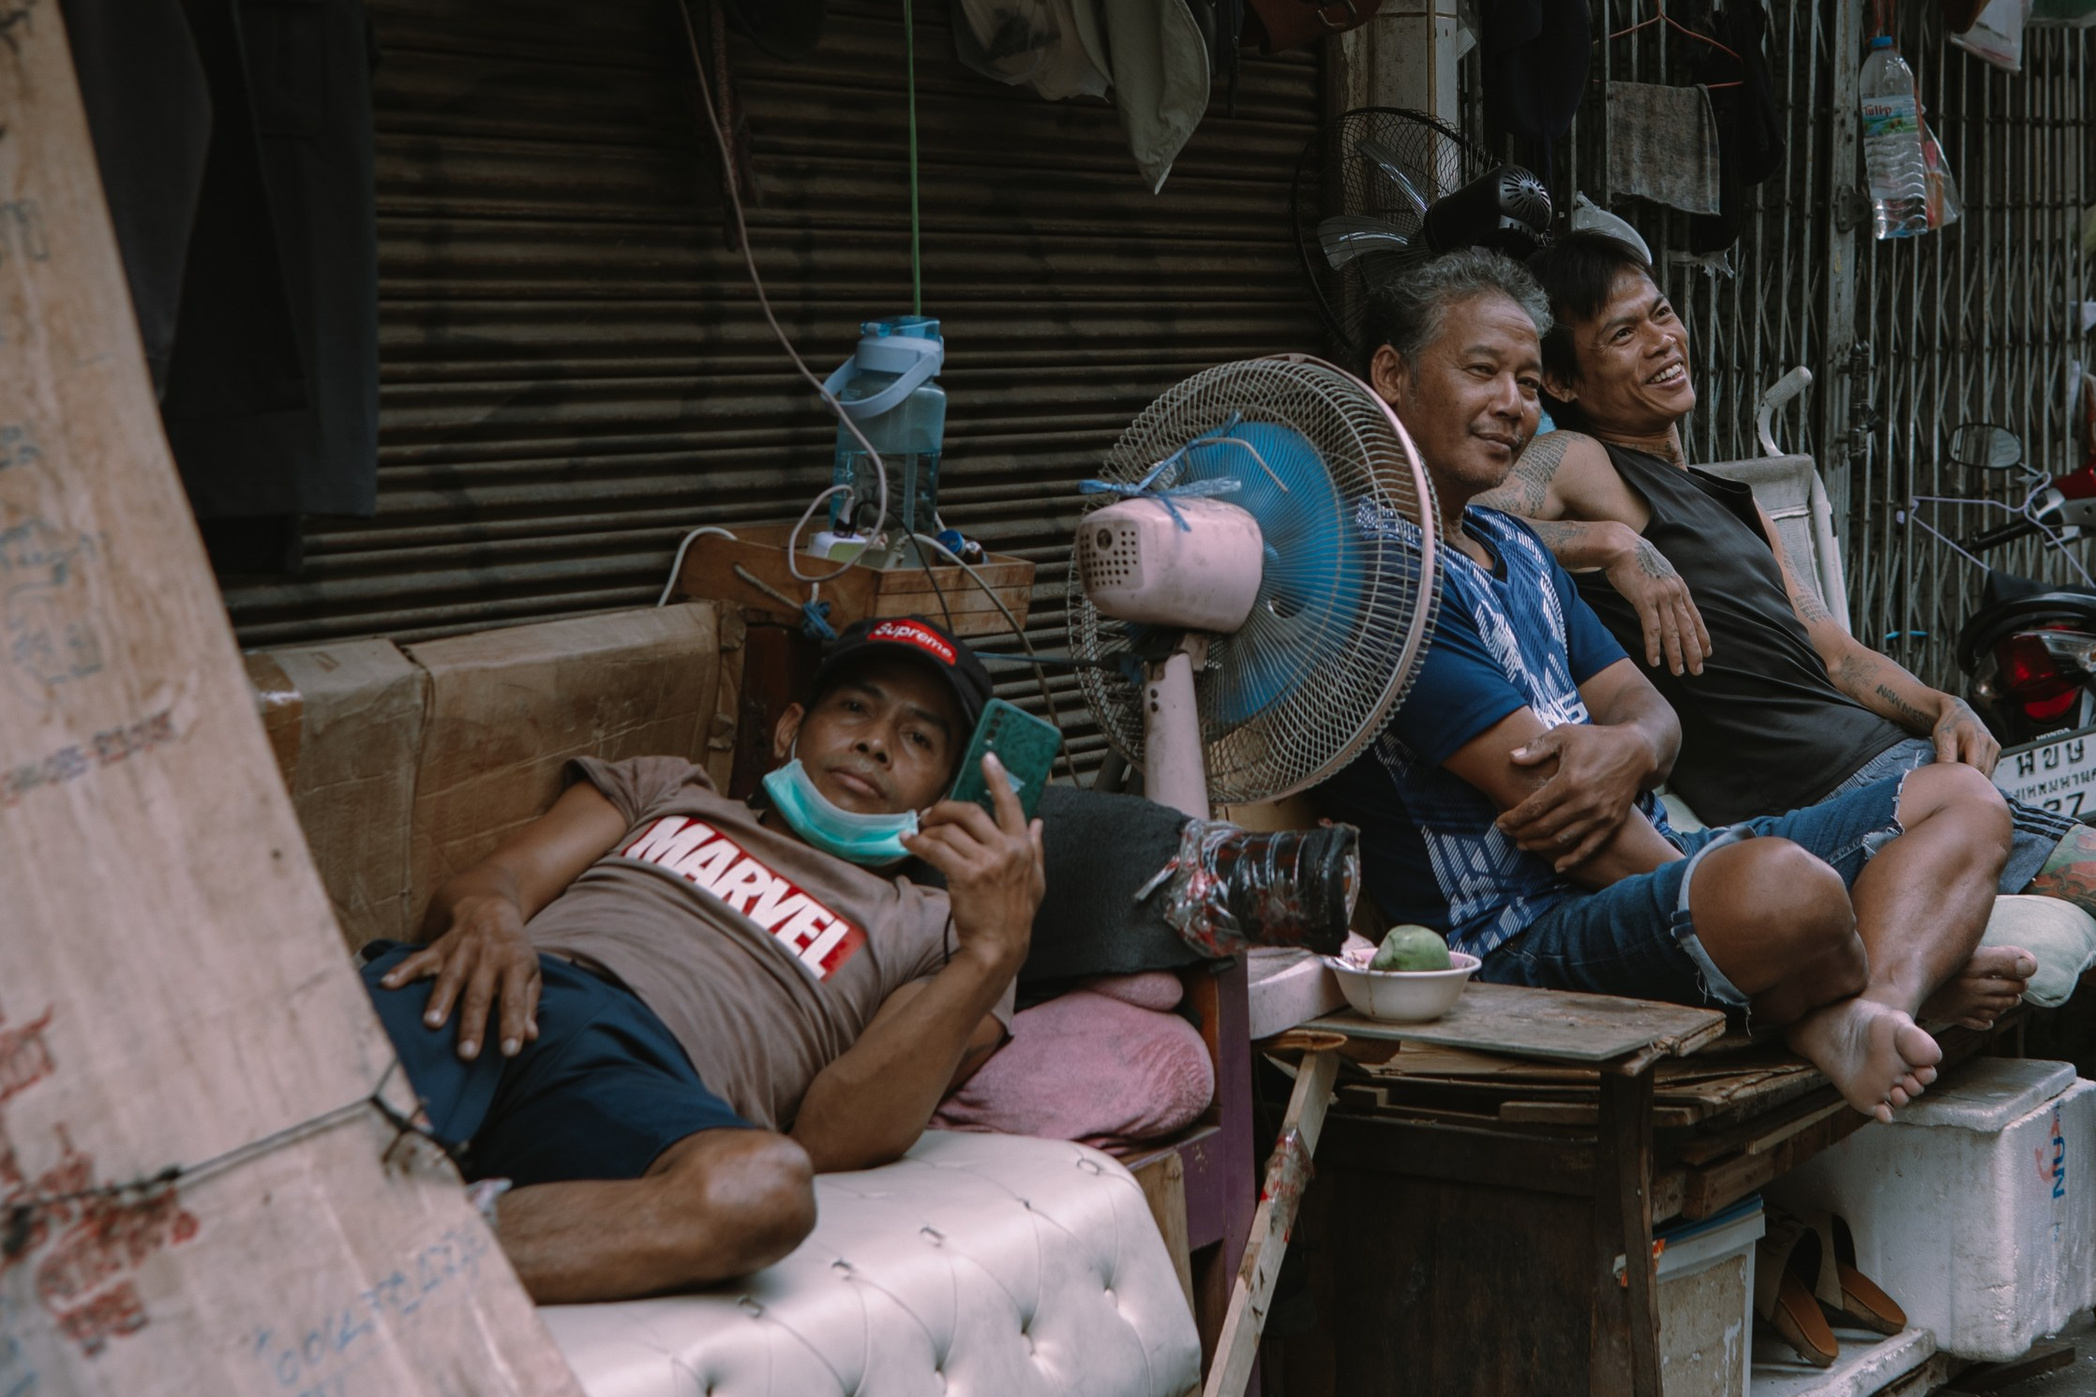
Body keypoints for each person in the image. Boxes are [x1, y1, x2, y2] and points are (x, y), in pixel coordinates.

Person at [1498, 236, 2096, 1397]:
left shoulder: (1725, 497)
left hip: (1893, 770)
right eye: (1620, 333)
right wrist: (1617, 549)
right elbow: (1477, 517)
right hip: (1817, 810)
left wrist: (1938, 705)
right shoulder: (1579, 458)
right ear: (1567, 378)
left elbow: (1826, 650)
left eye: (1663, 313)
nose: (1661, 342)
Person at [362, 619, 1270, 1305]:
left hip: (642, 1080)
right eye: (854, 709)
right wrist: (488, 915)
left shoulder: (933, 931)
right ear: (792, 725)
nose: (875, 742)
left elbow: (834, 1137)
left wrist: (995, 951)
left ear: (943, 791)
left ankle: (398, 1255)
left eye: (918, 738)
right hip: (501, 990)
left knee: (763, 1193)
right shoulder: (670, 790)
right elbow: (497, 881)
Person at [1336, 251, 1943, 1126]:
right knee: (1786, 891)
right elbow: (1564, 815)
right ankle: (1832, 1011)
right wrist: (1716, 881)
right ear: (1391, 375)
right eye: (1482, 372)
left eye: (1527, 382)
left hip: (1639, 870)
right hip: (1520, 938)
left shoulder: (1517, 551)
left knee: (1957, 798)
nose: (1512, 404)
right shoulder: (1381, 575)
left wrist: (1634, 746)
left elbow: (1646, 710)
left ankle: (1869, 1007)